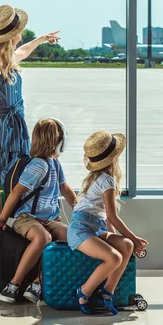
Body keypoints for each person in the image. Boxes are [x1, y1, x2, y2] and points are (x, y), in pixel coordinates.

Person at [0, 4, 60, 235]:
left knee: (17, 188)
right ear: (13, 36)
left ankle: (17, 247)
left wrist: (40, 39)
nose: (22, 35)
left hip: (18, 132)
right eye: (20, 31)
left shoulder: (12, 57)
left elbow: (25, 50)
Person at [0, 119, 77, 304]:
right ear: (58, 142)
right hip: (26, 218)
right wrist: (2, 219)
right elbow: (17, 192)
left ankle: (38, 282)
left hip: (49, 218)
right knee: (43, 238)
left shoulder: (55, 165)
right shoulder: (39, 165)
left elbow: (65, 188)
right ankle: (13, 285)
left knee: (72, 238)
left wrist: (79, 211)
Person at [68, 130, 148, 315]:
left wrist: (124, 239)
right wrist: (135, 238)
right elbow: (112, 217)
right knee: (115, 257)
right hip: (81, 230)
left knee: (125, 245)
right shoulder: (107, 181)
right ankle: (84, 291)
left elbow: (105, 218)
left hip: (94, 227)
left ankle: (107, 292)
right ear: (114, 158)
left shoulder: (96, 177)